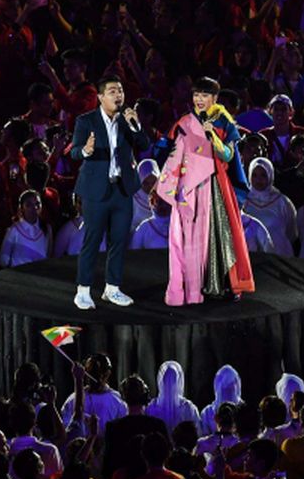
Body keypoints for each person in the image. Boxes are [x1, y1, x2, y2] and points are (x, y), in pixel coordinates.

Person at [156, 77, 254, 305]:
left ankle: (220, 284)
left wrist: (212, 137)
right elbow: (167, 148)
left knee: (219, 234)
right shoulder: (185, 121)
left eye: (205, 95)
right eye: (196, 95)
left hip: (216, 184)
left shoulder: (225, 122)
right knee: (186, 237)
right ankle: (191, 285)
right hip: (189, 186)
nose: (199, 100)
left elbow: (228, 156)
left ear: (215, 98)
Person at [69, 74, 149, 309]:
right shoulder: (86, 121)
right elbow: (74, 152)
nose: (118, 95)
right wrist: (85, 150)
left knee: (119, 240)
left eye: (121, 90)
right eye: (113, 91)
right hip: (96, 190)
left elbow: (145, 145)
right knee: (92, 239)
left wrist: (136, 126)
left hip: (122, 190)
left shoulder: (127, 120)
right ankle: (83, 290)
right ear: (101, 97)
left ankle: (112, 288)